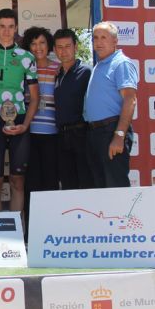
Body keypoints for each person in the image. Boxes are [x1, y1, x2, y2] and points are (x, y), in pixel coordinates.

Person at [0, 8, 39, 213]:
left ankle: (18, 232)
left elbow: (35, 98)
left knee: (17, 180)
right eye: (2, 26)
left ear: (16, 28)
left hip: (19, 121)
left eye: (11, 27)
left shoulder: (27, 57)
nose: (6, 31)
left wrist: (25, 126)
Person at [83, 21, 137, 188]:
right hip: (95, 133)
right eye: (95, 38)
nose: (98, 42)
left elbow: (130, 99)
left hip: (111, 131)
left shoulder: (121, 63)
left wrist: (119, 135)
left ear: (115, 41)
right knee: (100, 188)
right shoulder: (100, 65)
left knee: (115, 187)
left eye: (104, 38)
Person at [20, 27, 59, 223]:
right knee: (31, 184)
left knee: (51, 182)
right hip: (28, 133)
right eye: (33, 43)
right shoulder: (22, 69)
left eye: (42, 43)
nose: (38, 47)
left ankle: (50, 227)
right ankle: (32, 230)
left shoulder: (58, 68)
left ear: (49, 45)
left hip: (53, 134)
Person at [53, 28, 94, 190]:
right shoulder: (58, 74)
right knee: (68, 184)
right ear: (55, 50)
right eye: (59, 47)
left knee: (86, 183)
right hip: (62, 136)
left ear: (75, 47)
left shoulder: (87, 72)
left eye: (67, 46)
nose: (64, 51)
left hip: (82, 135)